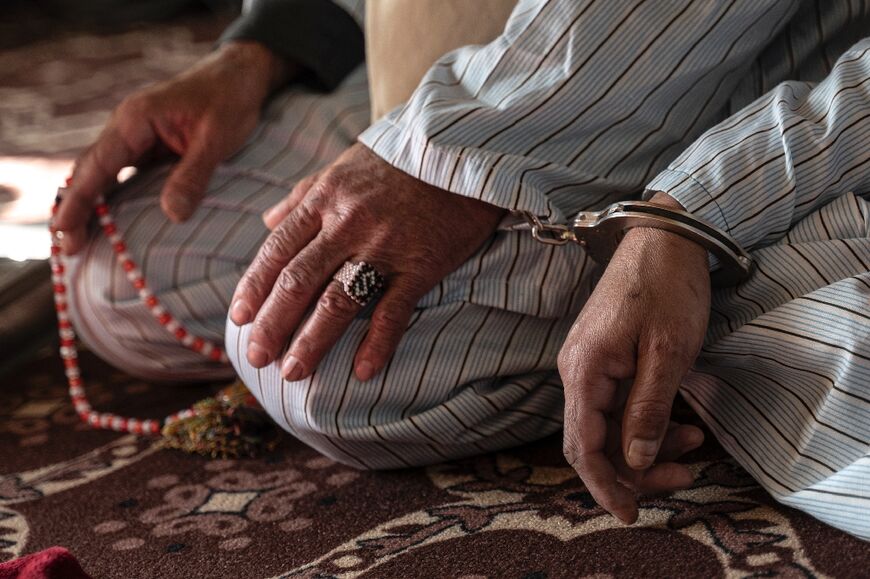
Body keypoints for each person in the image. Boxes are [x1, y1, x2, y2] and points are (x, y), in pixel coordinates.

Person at [53, 0, 869, 539]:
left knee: (324, 368)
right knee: (116, 274)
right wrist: (267, 46)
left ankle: (663, 265)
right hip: (488, 43)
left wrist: (690, 213)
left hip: (751, 66)